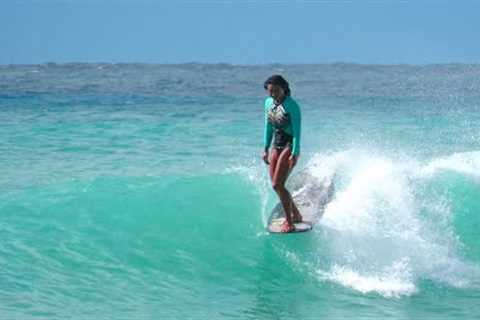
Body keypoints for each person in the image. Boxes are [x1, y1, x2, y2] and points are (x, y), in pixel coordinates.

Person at [262, 75, 302, 233]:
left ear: (284, 89)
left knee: (278, 184)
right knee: (277, 185)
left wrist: (295, 153)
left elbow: (297, 132)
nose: (273, 94)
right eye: (270, 91)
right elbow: (268, 126)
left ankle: (290, 222)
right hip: (275, 145)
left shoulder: (292, 105)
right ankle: (296, 214)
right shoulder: (268, 103)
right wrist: (265, 148)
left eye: (276, 91)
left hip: (289, 144)